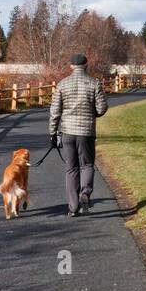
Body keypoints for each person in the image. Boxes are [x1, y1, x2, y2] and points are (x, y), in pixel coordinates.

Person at [48, 54, 107, 217]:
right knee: (87, 165)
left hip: (67, 131)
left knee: (71, 168)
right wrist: (92, 113)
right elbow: (102, 108)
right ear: (86, 66)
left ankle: (73, 208)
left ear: (71, 67)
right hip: (86, 132)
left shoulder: (62, 84)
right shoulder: (94, 83)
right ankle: (85, 193)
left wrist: (52, 133)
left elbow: (55, 112)